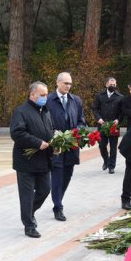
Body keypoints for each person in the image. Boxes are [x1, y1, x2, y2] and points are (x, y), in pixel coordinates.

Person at [10, 81, 54, 238]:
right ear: (32, 94)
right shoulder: (21, 111)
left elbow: (50, 130)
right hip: (25, 162)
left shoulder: (45, 111)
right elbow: (17, 133)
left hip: (43, 160)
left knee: (45, 190)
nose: (45, 97)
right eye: (42, 95)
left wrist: (56, 142)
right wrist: (37, 143)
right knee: (26, 195)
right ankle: (29, 225)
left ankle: (30, 211)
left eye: (46, 94)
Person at [46, 72, 86, 222]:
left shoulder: (76, 100)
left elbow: (82, 120)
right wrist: (53, 134)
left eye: (70, 84)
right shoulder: (48, 100)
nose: (68, 86)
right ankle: (58, 207)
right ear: (57, 83)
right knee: (57, 174)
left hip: (72, 145)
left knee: (67, 175)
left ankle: (58, 199)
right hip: (56, 146)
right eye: (65, 83)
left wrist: (79, 131)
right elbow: (43, 122)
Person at [91, 77, 124, 174]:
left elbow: (122, 112)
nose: (112, 86)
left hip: (114, 125)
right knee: (102, 146)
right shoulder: (99, 96)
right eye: (110, 84)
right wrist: (99, 119)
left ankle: (111, 166)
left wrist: (118, 120)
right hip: (102, 124)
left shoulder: (120, 97)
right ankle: (106, 160)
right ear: (106, 84)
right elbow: (95, 109)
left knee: (113, 147)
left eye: (114, 85)